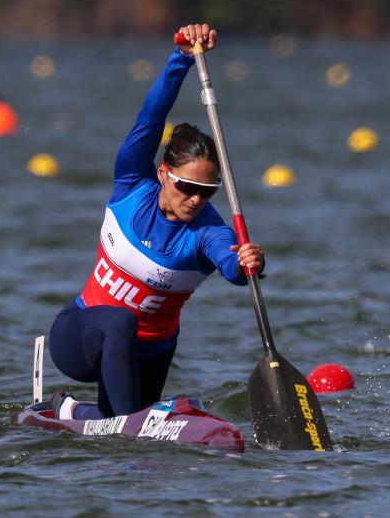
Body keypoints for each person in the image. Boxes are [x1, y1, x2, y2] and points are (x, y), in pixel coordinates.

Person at [48, 23, 265, 420]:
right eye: (188, 186)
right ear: (164, 173)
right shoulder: (133, 182)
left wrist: (249, 262)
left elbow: (231, 266)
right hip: (80, 337)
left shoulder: (208, 231)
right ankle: (124, 422)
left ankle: (71, 411)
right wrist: (180, 59)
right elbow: (151, 116)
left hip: (150, 356)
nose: (197, 199)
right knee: (120, 320)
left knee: (123, 423)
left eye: (209, 190)